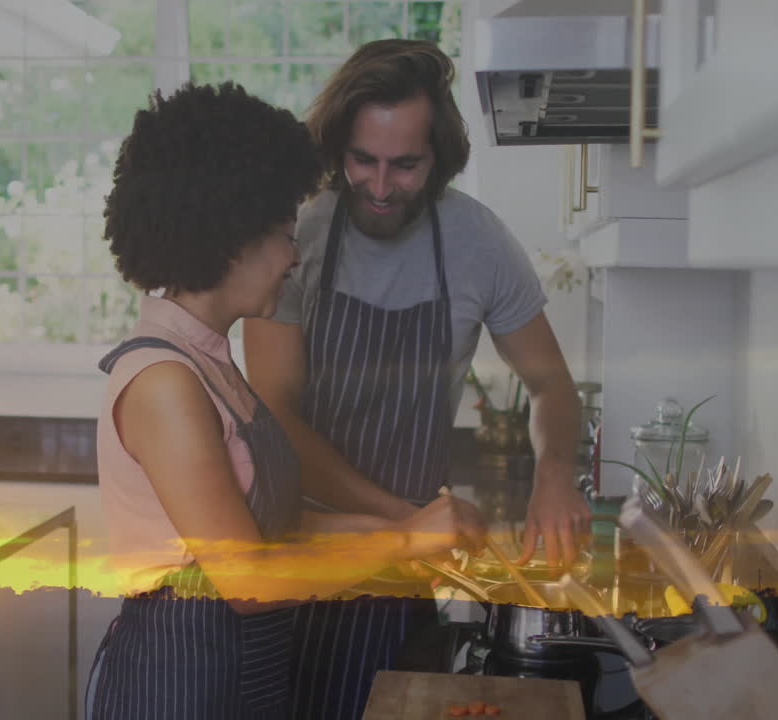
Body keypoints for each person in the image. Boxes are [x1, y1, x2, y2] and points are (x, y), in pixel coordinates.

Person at [86, 82, 487, 720]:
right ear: (231, 240)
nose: (293, 257)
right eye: (282, 233)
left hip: (242, 687)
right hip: (174, 693)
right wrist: (405, 546)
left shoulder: (212, 366)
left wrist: (412, 530)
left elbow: (285, 523)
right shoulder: (163, 382)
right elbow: (249, 581)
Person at [243, 39, 591, 719]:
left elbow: (554, 390)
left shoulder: (478, 243)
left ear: (441, 159)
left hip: (402, 578)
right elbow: (276, 416)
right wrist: (402, 520)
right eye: (361, 160)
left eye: (405, 165)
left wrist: (555, 471)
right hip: (300, 553)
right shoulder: (297, 239)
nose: (378, 186)